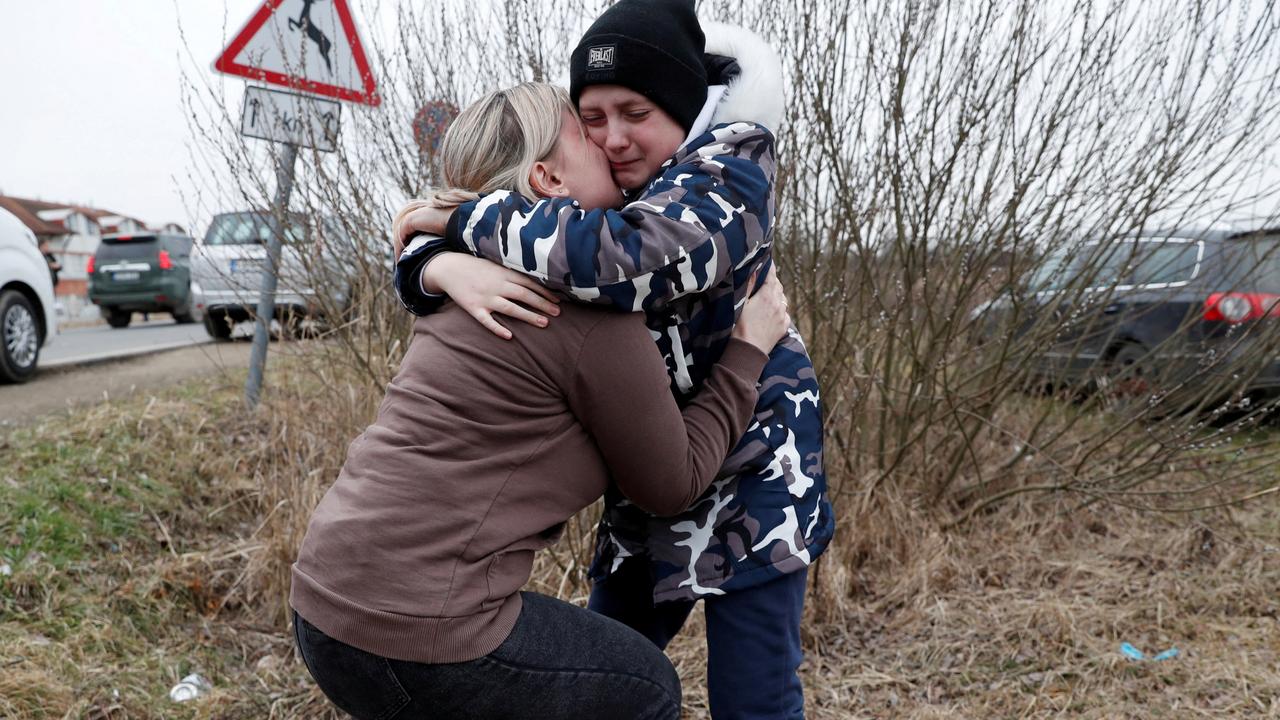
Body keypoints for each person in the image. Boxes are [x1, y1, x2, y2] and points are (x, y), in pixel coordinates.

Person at [290, 81, 794, 720]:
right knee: (646, 688)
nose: (610, 146)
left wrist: (433, 261)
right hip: (421, 632)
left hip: (323, 606)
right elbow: (674, 484)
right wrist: (749, 349)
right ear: (547, 177)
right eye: (585, 133)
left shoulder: (466, 270)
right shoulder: (586, 312)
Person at [392, 2, 833, 717]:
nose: (614, 138)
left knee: (754, 697)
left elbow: (625, 260)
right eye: (592, 118)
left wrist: (459, 221)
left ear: (684, 106)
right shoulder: (602, 190)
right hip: (656, 473)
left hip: (755, 480)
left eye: (635, 112)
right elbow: (493, 233)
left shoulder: (731, 171)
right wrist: (436, 267)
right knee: (603, 680)